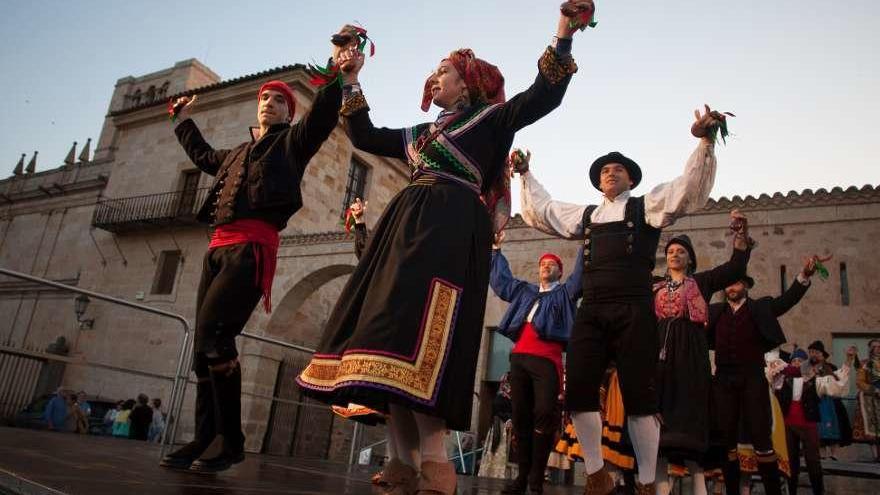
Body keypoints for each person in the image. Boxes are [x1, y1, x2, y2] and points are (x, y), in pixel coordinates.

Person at [297, 4, 591, 493]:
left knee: (426, 333)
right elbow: (364, 134)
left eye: (445, 72)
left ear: (468, 83)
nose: (434, 79)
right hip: (405, 226)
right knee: (387, 332)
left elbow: (543, 96)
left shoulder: (491, 120)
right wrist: (349, 78)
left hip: (452, 229)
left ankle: (435, 460)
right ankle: (400, 459)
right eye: (433, 72)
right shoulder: (417, 136)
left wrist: (563, 33)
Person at [159, 29, 346, 473]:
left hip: (250, 249)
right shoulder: (237, 153)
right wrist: (182, 120)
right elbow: (204, 157)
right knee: (204, 344)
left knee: (214, 338)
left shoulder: (292, 144)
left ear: (288, 112)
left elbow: (321, 118)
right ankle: (206, 436)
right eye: (265, 98)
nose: (269, 103)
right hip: (216, 250)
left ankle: (230, 440)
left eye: (279, 100)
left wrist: (336, 71)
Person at [517, 99, 727, 493]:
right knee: (579, 392)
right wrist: (525, 174)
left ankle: (647, 481)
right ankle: (597, 473)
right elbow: (543, 210)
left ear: (630, 180)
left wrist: (704, 144)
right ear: (598, 183)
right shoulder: (586, 217)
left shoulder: (645, 208)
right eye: (605, 171)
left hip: (634, 310)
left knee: (640, 399)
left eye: (618, 170)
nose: (611, 173)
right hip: (592, 310)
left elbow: (687, 190)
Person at [708, 255, 826, 495]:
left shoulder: (759, 308)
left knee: (761, 439)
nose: (731, 287)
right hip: (723, 382)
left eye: (737, 282)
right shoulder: (715, 311)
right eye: (728, 283)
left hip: (753, 380)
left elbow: (787, 300)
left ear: (746, 286)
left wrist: (804, 276)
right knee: (726, 441)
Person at [653, 212, 753, 495]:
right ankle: (659, 488)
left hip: (691, 355)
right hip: (660, 354)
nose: (675, 255)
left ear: (690, 258)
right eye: (671, 251)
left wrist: (740, 237)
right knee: (657, 420)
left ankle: (699, 485)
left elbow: (734, 268)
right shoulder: (654, 286)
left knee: (690, 415)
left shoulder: (703, 282)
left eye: (681, 251)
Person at [489, 207, 583, 494]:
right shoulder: (525, 291)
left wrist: (585, 244)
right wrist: (496, 249)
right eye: (543, 264)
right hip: (519, 359)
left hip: (547, 361)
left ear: (559, 270)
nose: (546, 267)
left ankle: (536, 478)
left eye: (551, 264)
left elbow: (580, 276)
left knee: (544, 414)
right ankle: (522, 478)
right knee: (520, 418)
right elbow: (501, 282)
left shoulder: (564, 294)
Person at [772, 348, 852, 495]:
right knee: (791, 461)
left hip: (808, 424)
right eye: (794, 361)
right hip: (788, 425)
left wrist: (848, 361)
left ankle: (818, 491)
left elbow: (836, 382)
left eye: (800, 361)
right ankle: (791, 490)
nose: (797, 363)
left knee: (813, 460)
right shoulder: (781, 379)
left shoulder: (816, 380)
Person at [807, 340, 854, 460]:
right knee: (818, 429)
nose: (813, 354)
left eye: (816, 352)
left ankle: (834, 454)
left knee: (833, 425)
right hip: (815, 403)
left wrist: (848, 359)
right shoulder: (806, 368)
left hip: (830, 402)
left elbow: (840, 378)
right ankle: (822, 455)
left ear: (822, 354)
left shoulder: (831, 367)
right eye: (811, 352)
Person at [855, 339, 880, 460]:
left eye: (879, 346)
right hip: (870, 398)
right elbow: (859, 381)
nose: (877, 348)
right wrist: (872, 389)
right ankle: (875, 455)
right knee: (872, 426)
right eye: (874, 346)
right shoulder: (864, 363)